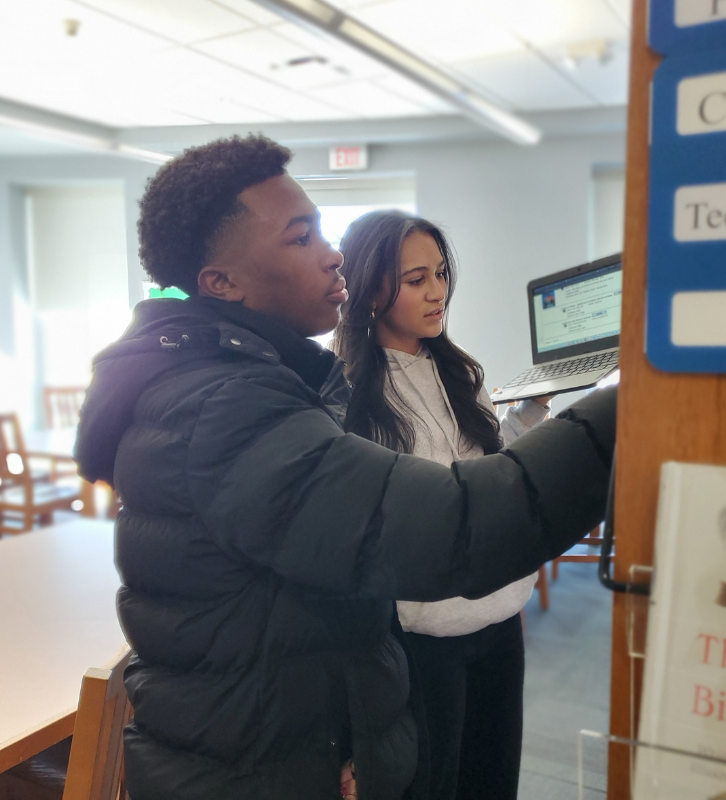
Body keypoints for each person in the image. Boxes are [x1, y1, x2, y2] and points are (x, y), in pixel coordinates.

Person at [74, 134, 617, 800]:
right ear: (223, 282)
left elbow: (308, 603)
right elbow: (455, 523)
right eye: (301, 239)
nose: (332, 255)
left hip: (297, 741)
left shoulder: (271, 384)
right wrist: (628, 401)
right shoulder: (224, 411)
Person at [333, 211, 550, 800]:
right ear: (370, 287)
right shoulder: (350, 395)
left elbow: (485, 472)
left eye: (442, 274)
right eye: (416, 279)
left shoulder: (460, 370)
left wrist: (530, 415)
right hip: (421, 635)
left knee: (493, 777)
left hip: (500, 612)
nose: (438, 292)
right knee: (435, 786)